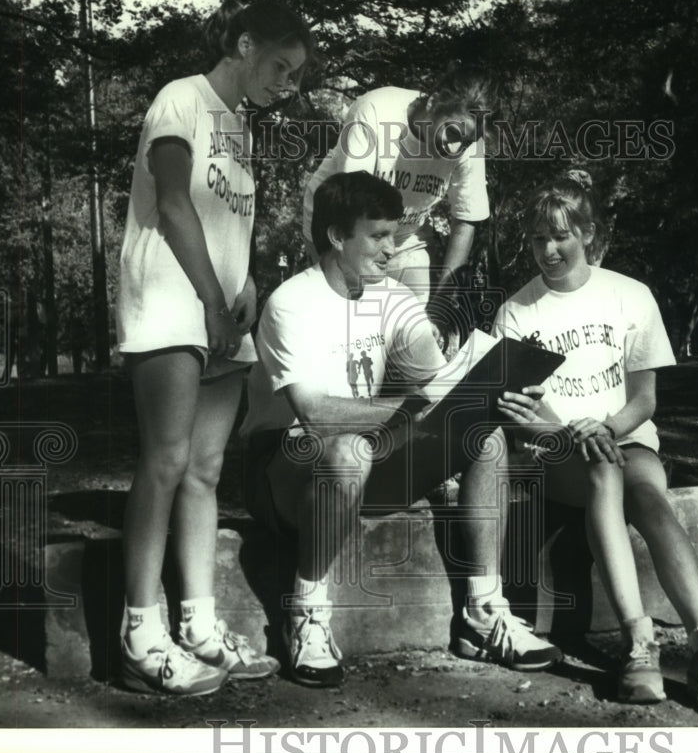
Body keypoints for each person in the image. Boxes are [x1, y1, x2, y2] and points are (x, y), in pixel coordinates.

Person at [240, 170, 562, 687]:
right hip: (285, 468)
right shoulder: (289, 304)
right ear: (337, 237)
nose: (394, 249)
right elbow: (314, 414)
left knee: (485, 437)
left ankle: (483, 613)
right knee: (346, 451)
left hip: (369, 455)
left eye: (396, 233)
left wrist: (490, 394)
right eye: (379, 236)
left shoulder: (393, 297)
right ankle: (307, 614)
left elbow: (435, 381)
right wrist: (414, 408)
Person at [491, 177, 698, 708]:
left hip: (626, 439)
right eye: (539, 238)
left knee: (648, 496)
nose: (549, 250)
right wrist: (568, 433)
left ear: (588, 234)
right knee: (600, 471)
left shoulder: (630, 295)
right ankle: (639, 642)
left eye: (562, 236)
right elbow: (524, 413)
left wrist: (607, 428)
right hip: (559, 453)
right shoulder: (517, 312)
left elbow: (644, 401)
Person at [115, 0, 312, 695]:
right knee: (164, 461)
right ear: (243, 42)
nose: (286, 85)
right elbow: (172, 205)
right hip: (173, 303)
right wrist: (207, 300)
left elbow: (224, 216)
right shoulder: (183, 99)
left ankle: (197, 624)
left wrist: (245, 279)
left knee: (204, 469)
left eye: (295, 76)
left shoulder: (239, 129)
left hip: (219, 312)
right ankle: (140, 632)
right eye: (280, 67)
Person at [300, 66, 495, 309]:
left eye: (466, 143)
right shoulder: (376, 110)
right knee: (348, 315)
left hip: (404, 237)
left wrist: (441, 304)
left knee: (415, 325)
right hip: (338, 224)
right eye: (453, 133)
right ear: (434, 103)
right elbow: (351, 210)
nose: (455, 150)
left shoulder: (470, 144)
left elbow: (465, 220)